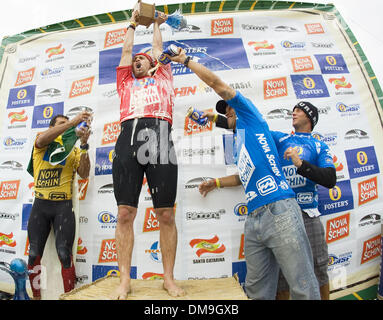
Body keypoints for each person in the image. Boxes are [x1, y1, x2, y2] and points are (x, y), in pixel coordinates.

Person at [168, 48, 320, 300]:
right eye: (224, 110)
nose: (227, 111)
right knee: (257, 293)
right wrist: (214, 182)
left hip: (279, 209)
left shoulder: (252, 117)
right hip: (254, 219)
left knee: (303, 288)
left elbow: (218, 85)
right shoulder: (242, 139)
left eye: (229, 108)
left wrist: (185, 60)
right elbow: (243, 177)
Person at [205, 101, 336, 299]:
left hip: (306, 213)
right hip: (281, 213)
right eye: (293, 109)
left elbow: (330, 179)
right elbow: (248, 128)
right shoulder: (280, 138)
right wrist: (214, 119)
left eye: (299, 110)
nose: (294, 112)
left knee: (316, 271)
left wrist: (300, 164)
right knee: (281, 278)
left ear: (310, 118)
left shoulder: (319, 145)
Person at [112, 10, 184, 299]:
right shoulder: (125, 81)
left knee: (165, 214)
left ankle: (168, 278)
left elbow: (157, 49)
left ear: (154, 65)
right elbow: (127, 49)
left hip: (160, 137)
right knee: (124, 213)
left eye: (143, 59)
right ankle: (124, 281)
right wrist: (132, 22)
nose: (137, 60)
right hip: (127, 139)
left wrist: (155, 22)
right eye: (135, 60)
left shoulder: (163, 74)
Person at [27, 111, 91, 299]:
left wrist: (85, 146)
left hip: (63, 207)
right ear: (51, 127)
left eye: (67, 125)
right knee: (33, 255)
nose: (67, 128)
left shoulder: (74, 149)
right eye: (61, 124)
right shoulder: (42, 141)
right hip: (41, 205)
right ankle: (36, 296)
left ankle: (68, 296)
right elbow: (42, 140)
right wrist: (72, 123)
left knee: (64, 254)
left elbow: (85, 174)